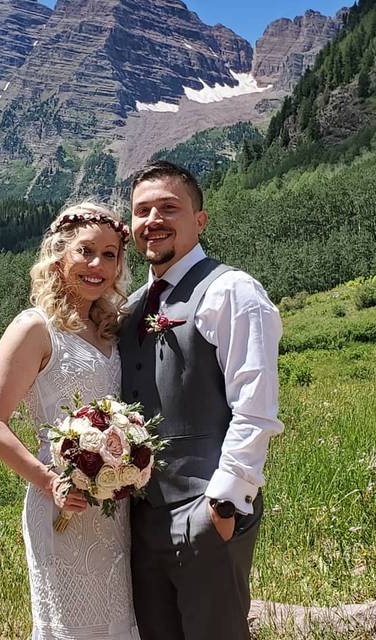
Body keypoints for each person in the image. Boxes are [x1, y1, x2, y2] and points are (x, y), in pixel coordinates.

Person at [119, 161, 283, 639]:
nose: (154, 220)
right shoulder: (132, 306)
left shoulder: (232, 291)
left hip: (206, 510)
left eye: (169, 207)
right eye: (142, 210)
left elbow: (255, 405)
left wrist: (223, 506)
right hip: (142, 517)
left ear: (200, 220)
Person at [0, 202, 141, 640]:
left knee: (119, 621)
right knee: (72, 626)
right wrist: (51, 482)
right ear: (58, 254)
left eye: (110, 255)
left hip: (114, 501)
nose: (97, 265)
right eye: (85, 251)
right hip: (61, 504)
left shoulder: (109, 327)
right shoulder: (35, 327)